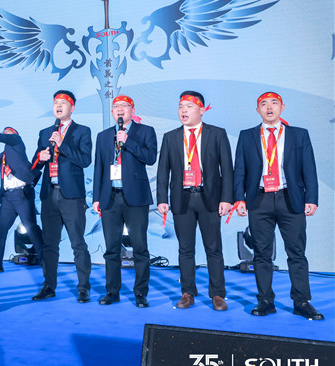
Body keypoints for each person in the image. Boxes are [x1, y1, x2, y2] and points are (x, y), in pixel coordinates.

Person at [233, 92, 323, 320]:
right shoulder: (247, 136)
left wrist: (311, 198)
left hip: (290, 198)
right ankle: (265, 300)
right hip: (259, 199)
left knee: (296, 252)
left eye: (274, 103)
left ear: (282, 107)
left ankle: (302, 301)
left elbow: (309, 168)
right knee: (261, 253)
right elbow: (240, 170)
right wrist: (239, 198)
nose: (269, 107)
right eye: (263, 104)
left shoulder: (298, 134)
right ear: (258, 110)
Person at [156, 91, 232, 311]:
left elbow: (227, 169)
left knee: (213, 249)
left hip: (210, 198)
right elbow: (163, 171)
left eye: (189, 106)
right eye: (181, 106)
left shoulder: (217, 134)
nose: (184, 111)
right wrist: (162, 199)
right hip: (182, 199)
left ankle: (217, 294)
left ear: (202, 110)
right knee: (185, 249)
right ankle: (187, 292)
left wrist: (227, 198)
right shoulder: (170, 137)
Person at [92, 95, 157, 307]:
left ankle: (141, 293)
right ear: (112, 112)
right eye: (116, 106)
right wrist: (96, 198)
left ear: (132, 110)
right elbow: (99, 167)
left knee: (139, 247)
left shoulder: (145, 131)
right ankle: (112, 291)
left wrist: (128, 141)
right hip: (109, 197)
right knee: (111, 248)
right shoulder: (103, 136)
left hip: (135, 198)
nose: (120, 109)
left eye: (124, 106)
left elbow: (150, 158)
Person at [30, 90, 92, 303]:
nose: (58, 106)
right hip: (49, 194)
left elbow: (85, 160)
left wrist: (62, 145)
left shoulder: (82, 131)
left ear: (72, 107)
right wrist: (40, 157)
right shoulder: (45, 132)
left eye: (63, 102)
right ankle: (49, 285)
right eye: (55, 102)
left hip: (72, 196)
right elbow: (36, 164)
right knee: (49, 244)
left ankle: (83, 287)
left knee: (78, 243)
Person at [0, 124, 42, 272]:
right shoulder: (3, 155)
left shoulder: (16, 141)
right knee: (0, 230)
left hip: (22, 193)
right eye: (4, 131)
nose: (6, 133)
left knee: (31, 228)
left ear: (14, 134)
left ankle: (45, 261)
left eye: (9, 132)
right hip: (8, 197)